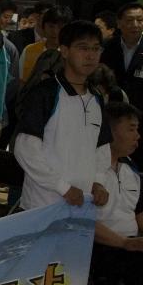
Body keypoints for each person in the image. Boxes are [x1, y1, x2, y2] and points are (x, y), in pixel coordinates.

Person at [13, 20, 111, 214]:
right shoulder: (46, 93)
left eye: (96, 49)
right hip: (43, 204)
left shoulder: (96, 98)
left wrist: (99, 182)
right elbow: (25, 148)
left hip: (82, 205)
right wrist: (62, 187)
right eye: (83, 48)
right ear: (64, 51)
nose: (90, 55)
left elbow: (102, 147)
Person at [91, 102, 143, 285]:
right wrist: (124, 243)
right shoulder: (90, 171)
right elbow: (83, 222)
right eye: (131, 129)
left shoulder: (132, 171)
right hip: (102, 250)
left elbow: (139, 216)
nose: (137, 135)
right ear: (109, 130)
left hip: (131, 247)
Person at [104, 2, 143, 105]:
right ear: (119, 23)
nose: (135, 24)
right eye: (130, 20)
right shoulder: (107, 47)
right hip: (111, 110)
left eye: (140, 20)